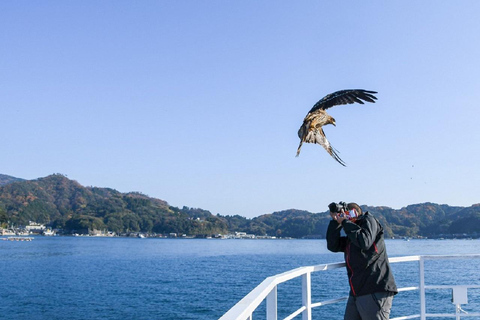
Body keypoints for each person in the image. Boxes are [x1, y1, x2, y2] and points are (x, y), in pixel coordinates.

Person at [326, 202, 397, 320]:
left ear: (355, 213)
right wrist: (335, 222)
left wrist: (344, 222)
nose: (346, 217)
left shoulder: (369, 220)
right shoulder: (352, 236)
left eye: (348, 213)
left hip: (375, 289)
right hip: (357, 292)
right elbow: (333, 245)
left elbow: (365, 242)